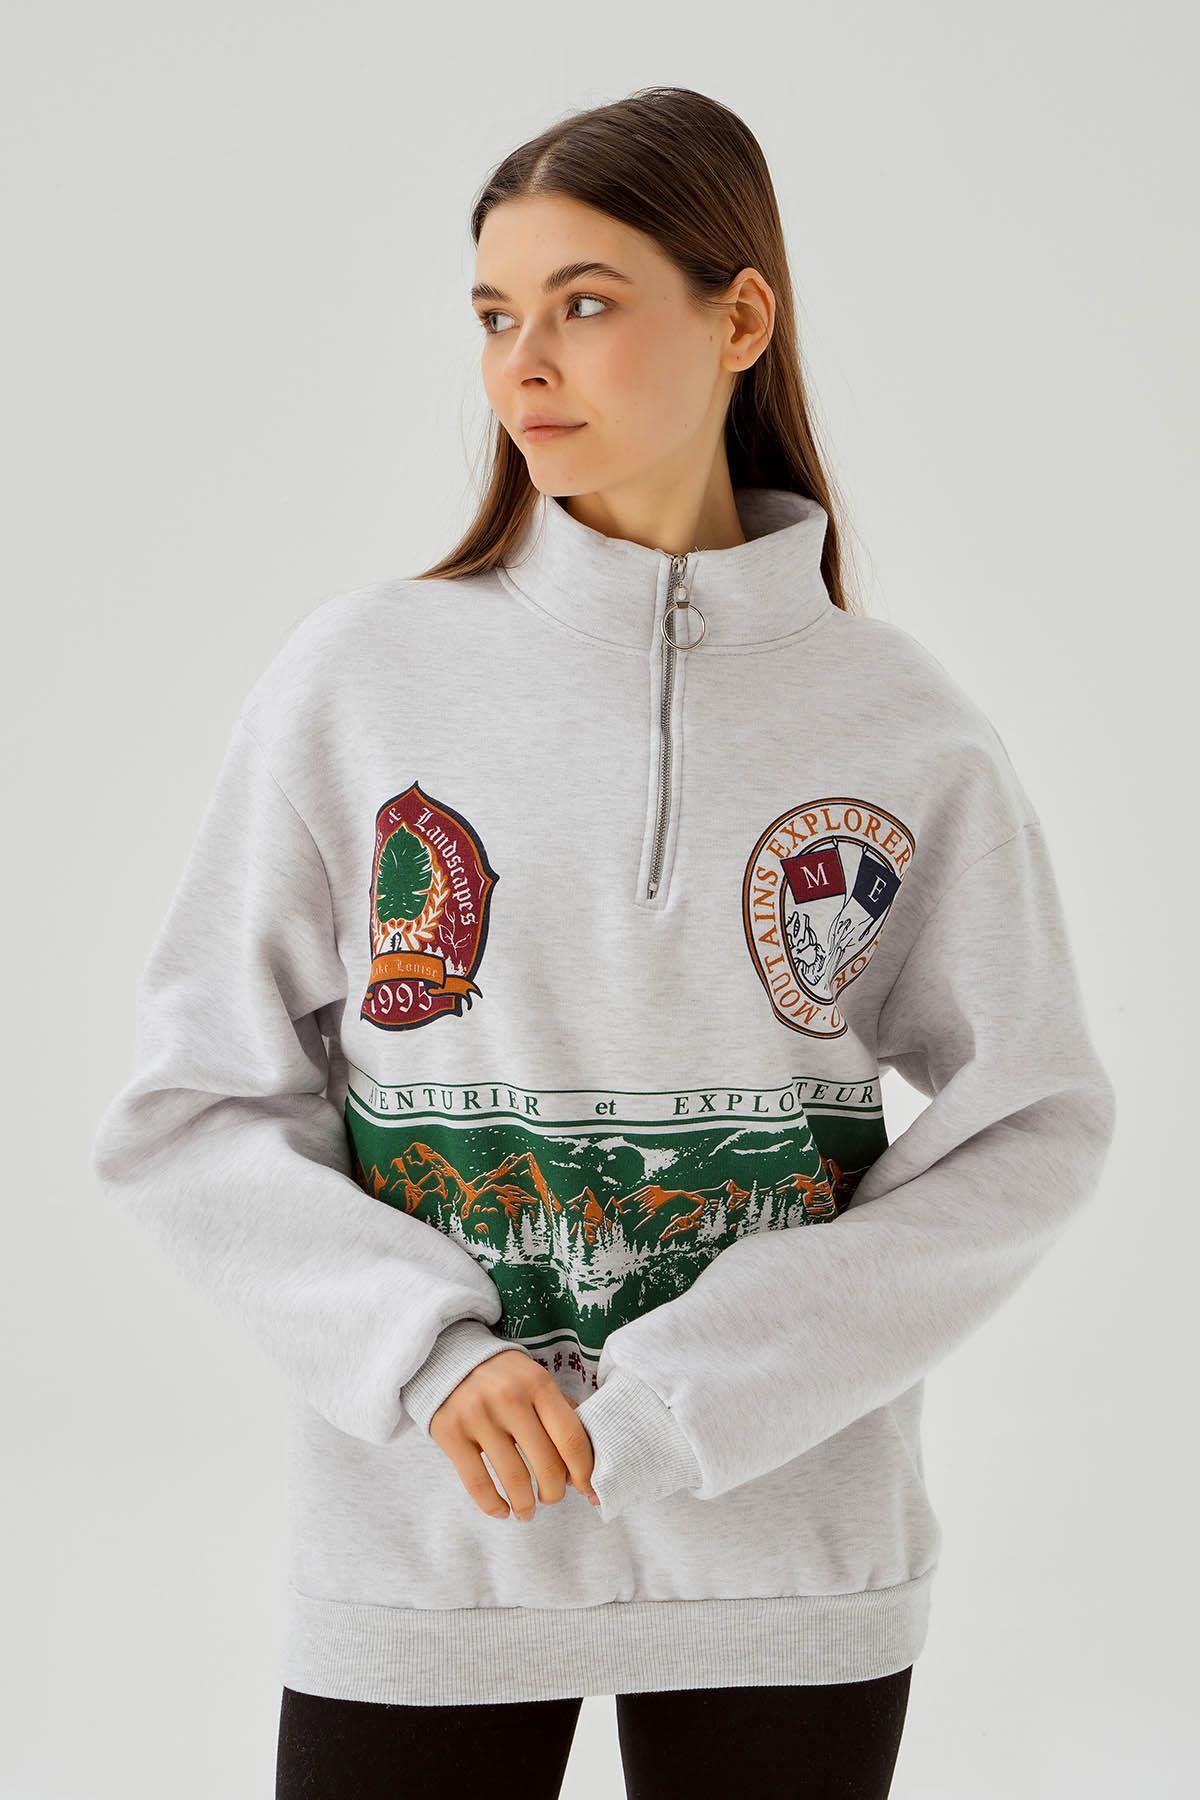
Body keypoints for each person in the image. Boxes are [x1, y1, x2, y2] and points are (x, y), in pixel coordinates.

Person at [89, 86, 1116, 1799]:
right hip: (433, 1552)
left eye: (584, 302)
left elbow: (1035, 1120)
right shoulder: (359, 683)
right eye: (496, 316)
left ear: (740, 318)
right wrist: (424, 1351)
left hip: (786, 1569)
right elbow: (191, 1106)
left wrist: (697, 1391)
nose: (527, 365)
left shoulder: (902, 724)